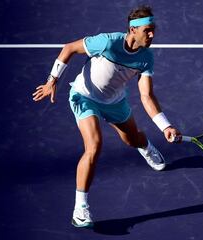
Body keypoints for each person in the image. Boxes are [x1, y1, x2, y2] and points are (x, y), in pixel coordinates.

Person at [32, 6, 181, 228]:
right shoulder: (107, 42)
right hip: (84, 97)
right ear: (133, 29)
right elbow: (69, 48)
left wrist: (165, 126)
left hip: (115, 102)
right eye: (148, 30)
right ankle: (80, 208)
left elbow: (146, 95)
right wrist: (52, 79)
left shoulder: (146, 58)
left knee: (132, 140)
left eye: (153, 30)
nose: (152, 35)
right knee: (94, 145)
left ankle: (146, 146)